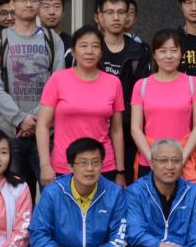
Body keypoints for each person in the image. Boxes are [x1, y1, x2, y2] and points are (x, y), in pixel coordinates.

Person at [0, 0, 64, 186]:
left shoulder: (52, 40)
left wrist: (35, 119)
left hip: (46, 134)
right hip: (9, 134)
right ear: (13, 3)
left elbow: (57, 84)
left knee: (51, 193)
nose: (29, 4)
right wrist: (20, 119)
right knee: (14, 195)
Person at [35, 27, 127, 187]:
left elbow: (117, 130)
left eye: (95, 46)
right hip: (65, 164)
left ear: (101, 52)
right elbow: (42, 124)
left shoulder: (113, 83)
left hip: (103, 166)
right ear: (73, 51)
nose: (89, 51)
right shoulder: (58, 79)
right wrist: (44, 165)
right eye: (83, 46)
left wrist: (120, 171)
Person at [129, 29, 196, 181]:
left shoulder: (193, 83)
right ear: (154, 54)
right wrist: (153, 159)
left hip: (183, 159)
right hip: (149, 160)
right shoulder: (141, 85)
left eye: (174, 50)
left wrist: (181, 158)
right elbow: (135, 128)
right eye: (163, 51)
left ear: (181, 53)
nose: (169, 56)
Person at [90, 0, 149, 106]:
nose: (116, 17)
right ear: (100, 16)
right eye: (110, 12)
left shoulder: (139, 51)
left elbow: (144, 92)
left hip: (129, 115)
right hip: (96, 113)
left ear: (127, 16)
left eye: (121, 12)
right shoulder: (90, 50)